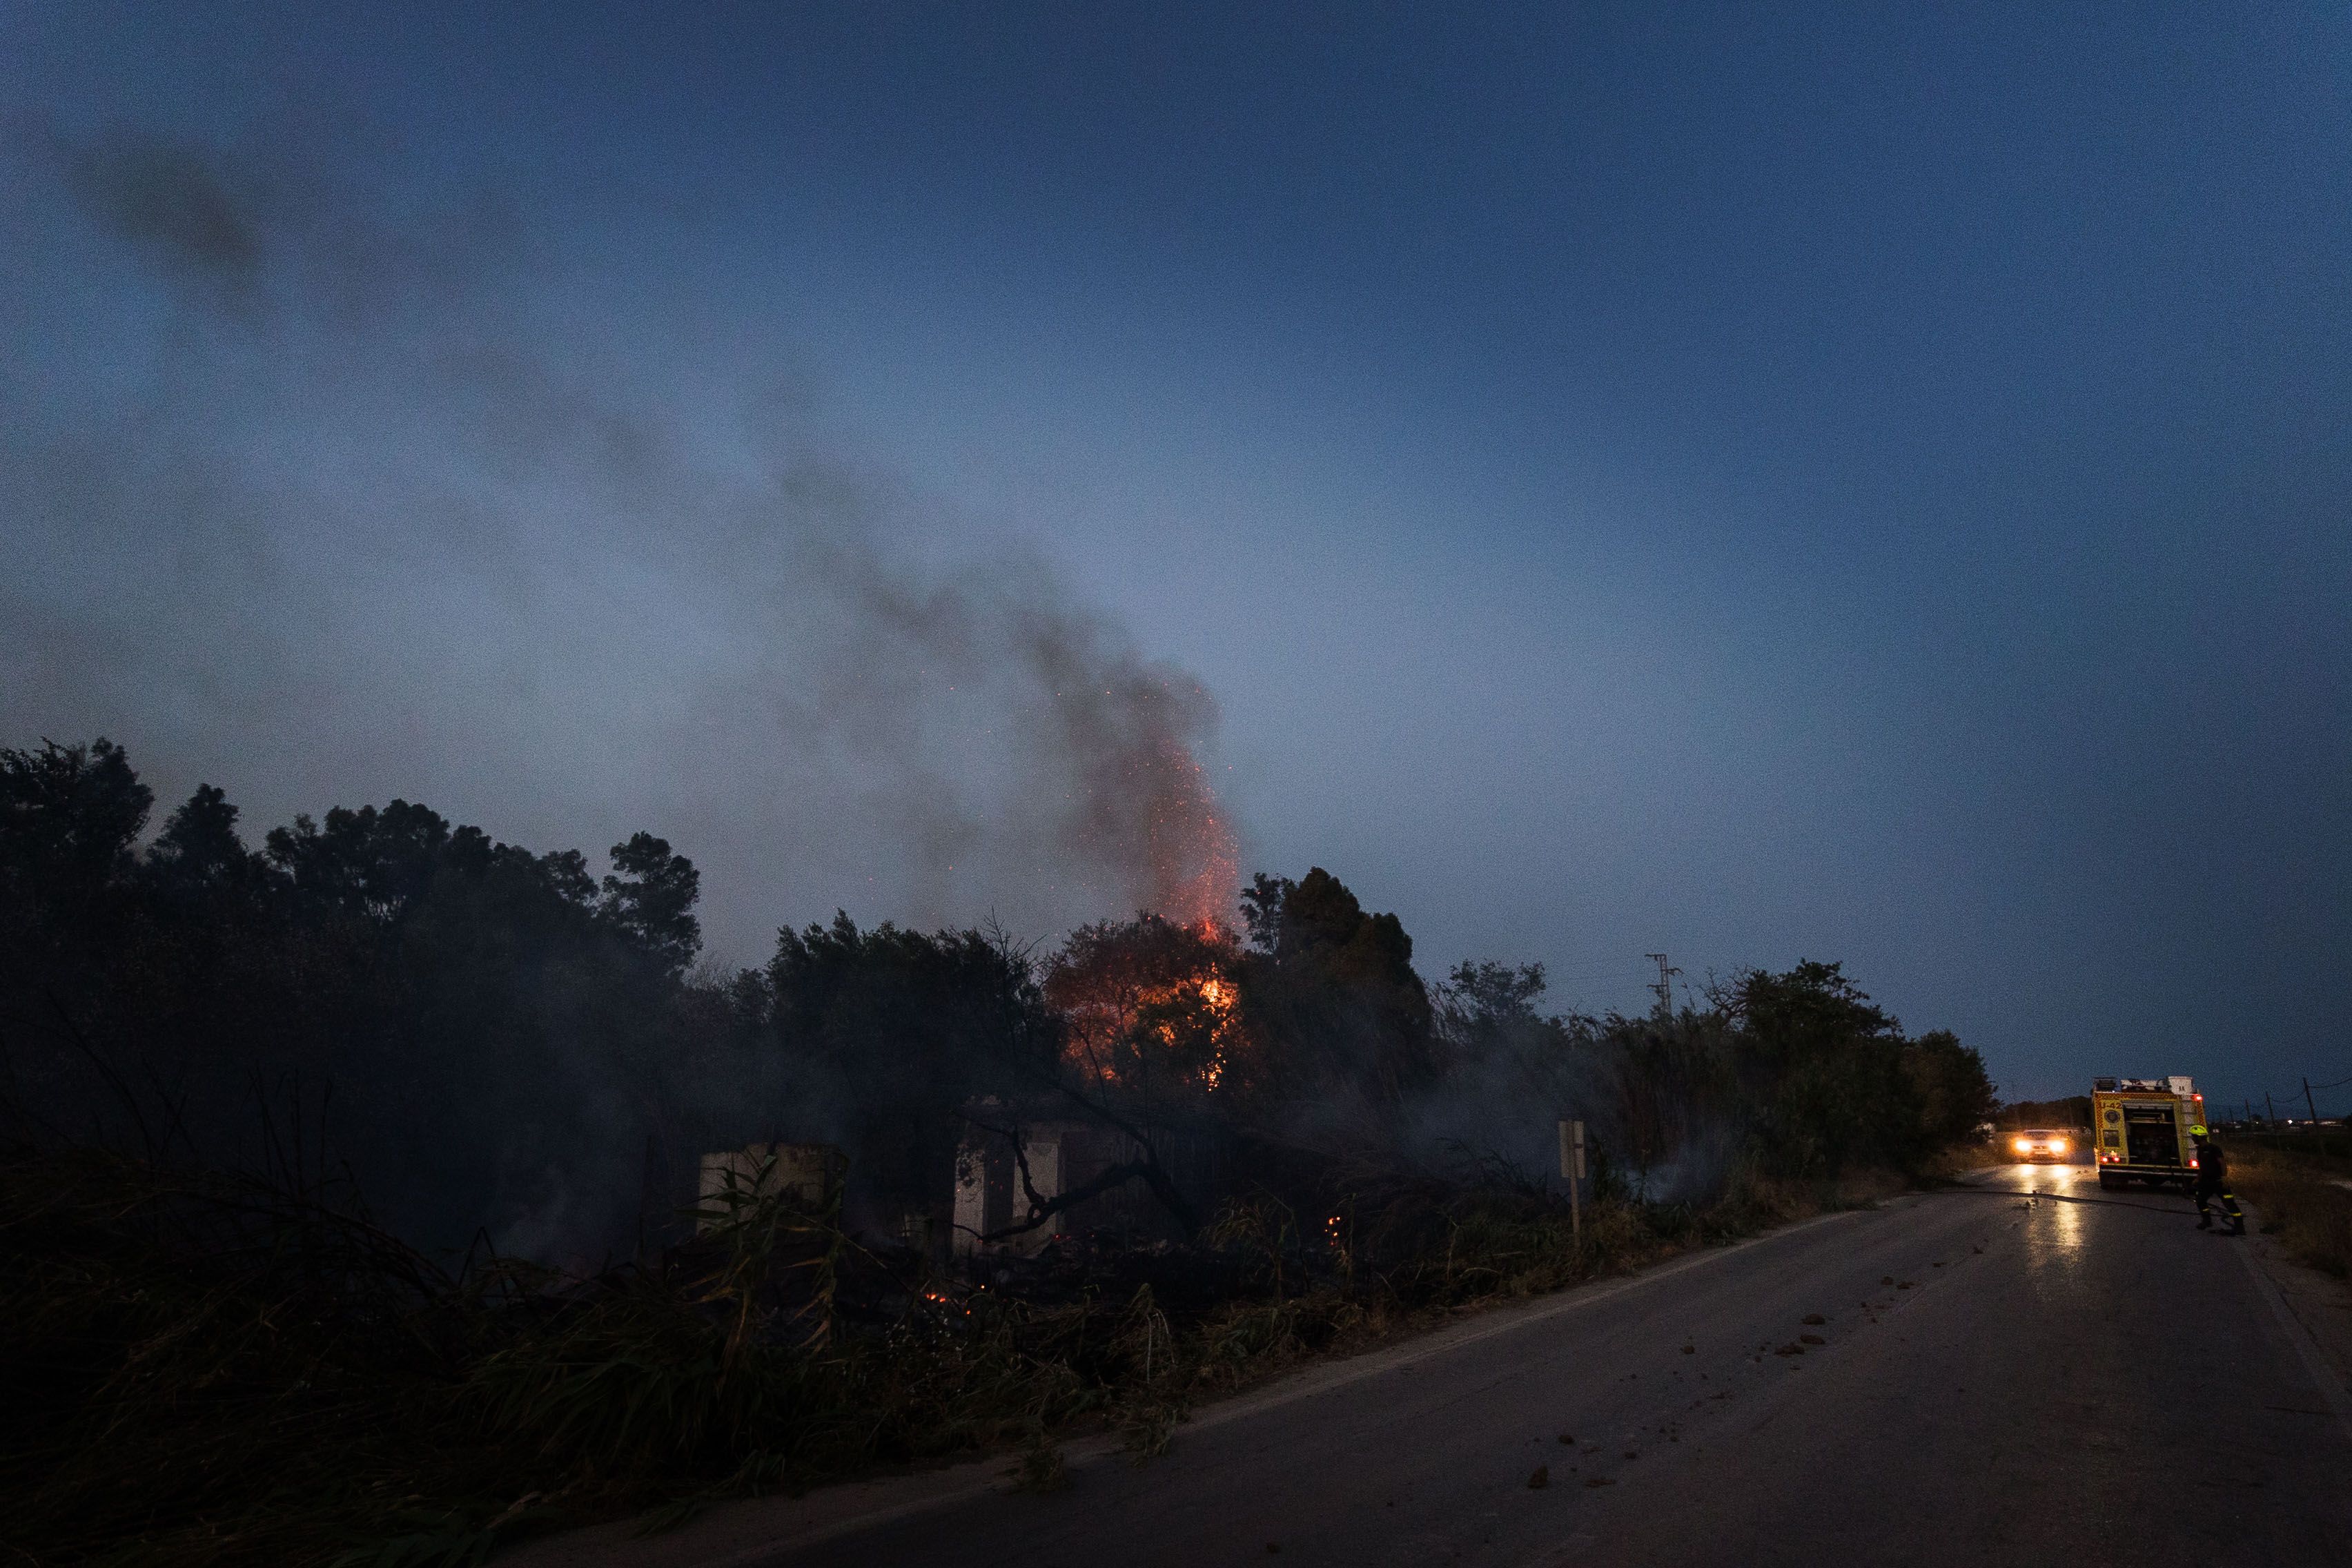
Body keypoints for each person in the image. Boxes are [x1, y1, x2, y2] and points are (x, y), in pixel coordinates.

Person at [2189, 1125, 2244, 1235]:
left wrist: (2224, 1177)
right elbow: (2202, 1167)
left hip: (2219, 1182)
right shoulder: (2200, 1150)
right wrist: (2197, 1179)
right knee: (2200, 1200)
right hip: (2206, 1182)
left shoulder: (2214, 1148)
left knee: (2229, 1204)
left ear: (2198, 1137)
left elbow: (2222, 1163)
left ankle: (2240, 1228)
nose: (2192, 1138)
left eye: (2193, 1136)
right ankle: (2207, 1221)